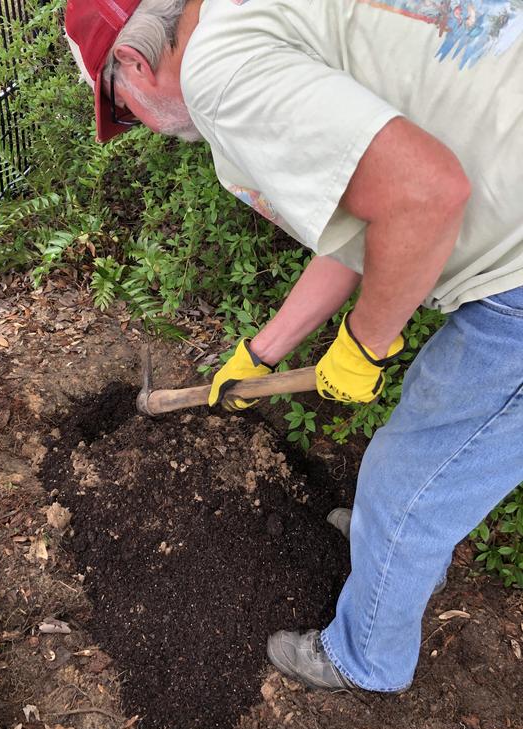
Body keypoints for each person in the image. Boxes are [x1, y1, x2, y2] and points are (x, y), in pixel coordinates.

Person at [65, 0, 523, 693]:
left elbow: (424, 196)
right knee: (415, 467)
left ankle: (364, 659)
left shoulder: (219, 71)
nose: (140, 129)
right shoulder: (249, 12)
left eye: (123, 112)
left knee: (411, 485)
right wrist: (262, 351)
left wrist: (365, 346)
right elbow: (367, 215)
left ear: (131, 61)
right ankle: (383, 547)